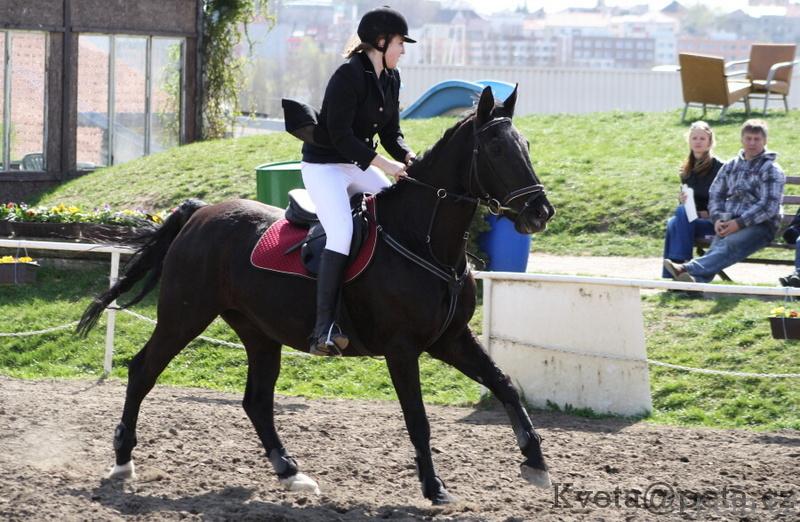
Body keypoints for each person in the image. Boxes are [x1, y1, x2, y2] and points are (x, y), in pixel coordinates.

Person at [291, 7, 417, 356]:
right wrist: (385, 164)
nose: (402, 51)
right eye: (400, 43)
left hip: (356, 164)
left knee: (397, 209)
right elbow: (341, 136)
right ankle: (323, 329)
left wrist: (409, 157)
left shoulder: (391, 78)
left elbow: (391, 133)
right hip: (324, 167)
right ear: (381, 42)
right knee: (342, 233)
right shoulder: (348, 75)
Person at [664, 119, 785, 283]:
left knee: (729, 244)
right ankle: (693, 284)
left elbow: (768, 206)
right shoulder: (731, 166)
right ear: (742, 140)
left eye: (757, 139)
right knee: (715, 246)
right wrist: (717, 219)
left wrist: (739, 223)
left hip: (761, 225)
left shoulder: (771, 169)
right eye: (748, 138)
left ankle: (685, 269)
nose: (752, 143)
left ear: (765, 141)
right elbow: (716, 194)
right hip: (728, 222)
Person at [662, 121, 723, 279]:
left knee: (674, 222)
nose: (698, 142)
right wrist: (683, 200)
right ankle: (676, 270)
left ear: (710, 142)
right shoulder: (686, 170)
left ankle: (680, 263)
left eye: (702, 138)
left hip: (713, 223)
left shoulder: (720, 168)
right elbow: (688, 206)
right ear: (689, 141)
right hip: (691, 222)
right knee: (675, 219)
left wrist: (709, 213)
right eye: (694, 138)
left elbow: (727, 200)